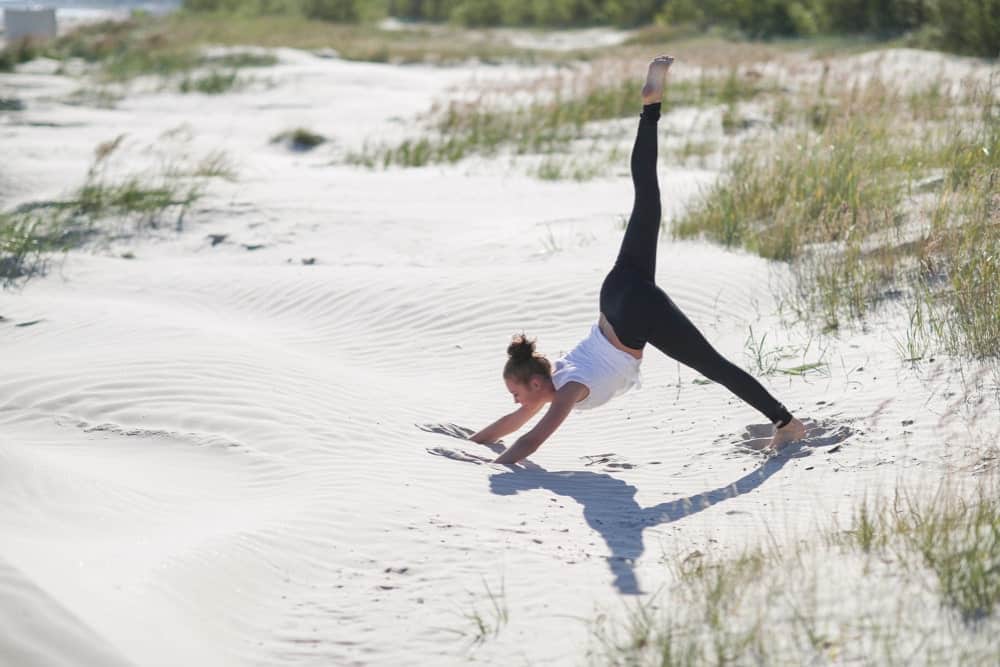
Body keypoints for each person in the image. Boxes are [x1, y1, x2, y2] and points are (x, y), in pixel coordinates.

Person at [470, 55, 806, 465]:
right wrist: (473, 442)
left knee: (713, 365)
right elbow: (510, 423)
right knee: (646, 197)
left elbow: (530, 442)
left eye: (517, 393)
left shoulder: (568, 389)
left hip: (631, 315)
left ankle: (787, 423)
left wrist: (491, 468)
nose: (516, 400)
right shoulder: (549, 377)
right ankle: (651, 109)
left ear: (536, 384)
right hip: (613, 294)